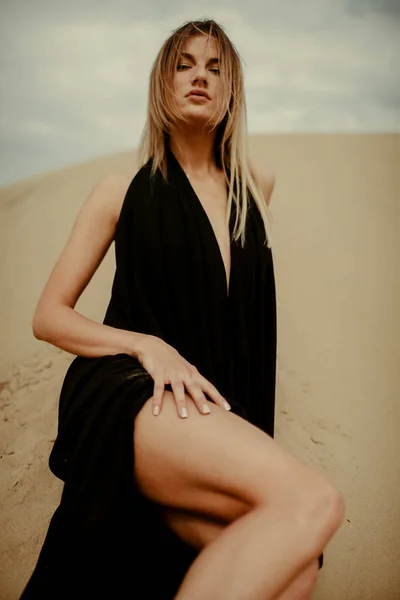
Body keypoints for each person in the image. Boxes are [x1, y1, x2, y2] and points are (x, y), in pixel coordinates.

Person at [21, 18, 345, 600]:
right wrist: (146, 344)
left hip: (211, 405)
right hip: (132, 391)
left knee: (300, 565)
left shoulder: (256, 187)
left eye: (215, 67)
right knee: (313, 500)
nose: (200, 76)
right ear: (162, 85)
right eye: (185, 64)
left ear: (231, 93)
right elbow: (49, 316)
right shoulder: (120, 191)